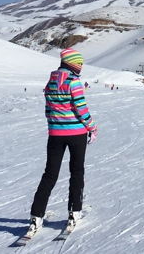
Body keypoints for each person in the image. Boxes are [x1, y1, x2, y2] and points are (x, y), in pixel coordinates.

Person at [26, 48, 97, 238]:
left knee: (50, 174)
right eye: (79, 64)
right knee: (76, 171)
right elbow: (81, 108)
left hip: (55, 134)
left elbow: (48, 111)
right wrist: (92, 127)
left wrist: (54, 126)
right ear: (73, 64)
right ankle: (74, 212)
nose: (81, 67)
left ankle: (36, 215)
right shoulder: (73, 82)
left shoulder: (51, 82)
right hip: (76, 134)